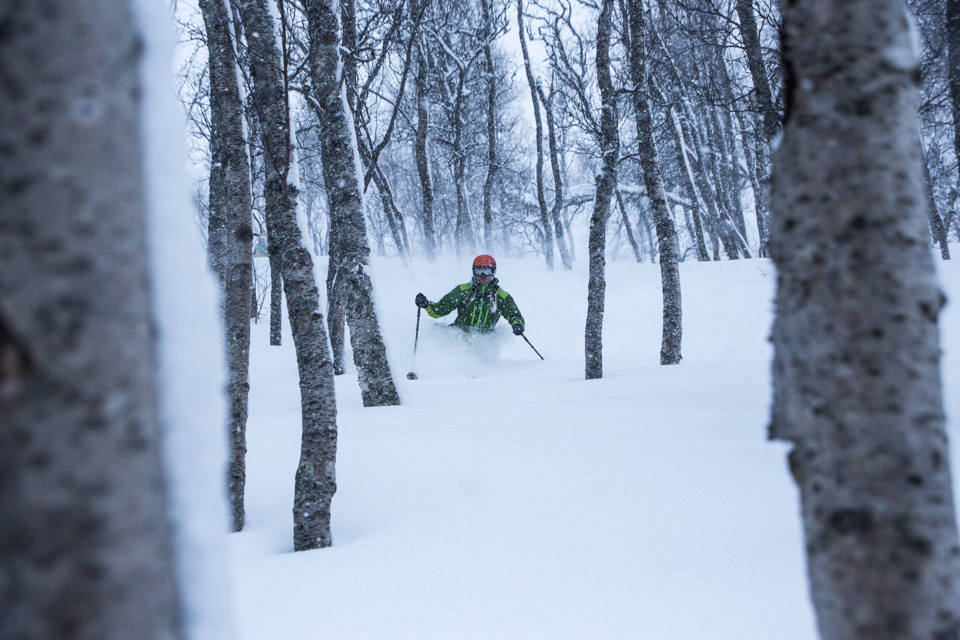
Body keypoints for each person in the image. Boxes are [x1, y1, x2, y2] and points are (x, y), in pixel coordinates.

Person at [415, 255, 525, 336]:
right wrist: (426, 304)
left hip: (485, 340)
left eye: (486, 271)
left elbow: (515, 315)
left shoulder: (501, 296)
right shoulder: (463, 290)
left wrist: (517, 324)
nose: (482, 275)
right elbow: (440, 310)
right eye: (479, 271)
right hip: (460, 335)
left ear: (493, 273)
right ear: (474, 272)